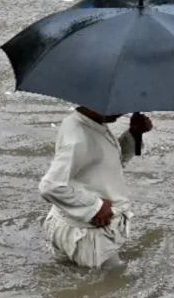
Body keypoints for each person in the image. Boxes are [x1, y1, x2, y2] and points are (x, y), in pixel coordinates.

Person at [38, 108, 153, 269]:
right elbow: (49, 187)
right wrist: (95, 206)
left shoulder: (83, 123)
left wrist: (134, 133)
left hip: (69, 223)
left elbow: (108, 162)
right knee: (111, 286)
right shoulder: (79, 139)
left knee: (71, 280)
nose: (122, 110)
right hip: (89, 235)